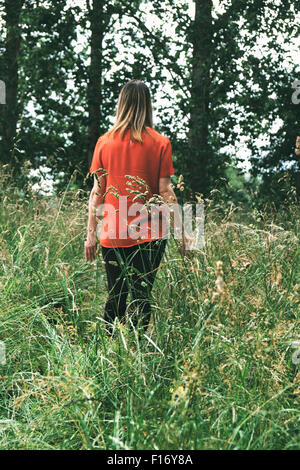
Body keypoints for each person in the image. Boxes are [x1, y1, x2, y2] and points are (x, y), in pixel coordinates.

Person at [84, 79, 192, 336]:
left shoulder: (104, 142)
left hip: (114, 233)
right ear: (148, 105)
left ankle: (109, 353)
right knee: (142, 296)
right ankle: (139, 352)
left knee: (116, 296)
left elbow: (97, 192)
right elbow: (166, 192)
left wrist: (90, 233)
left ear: (121, 104)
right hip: (151, 233)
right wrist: (182, 233)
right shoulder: (161, 143)